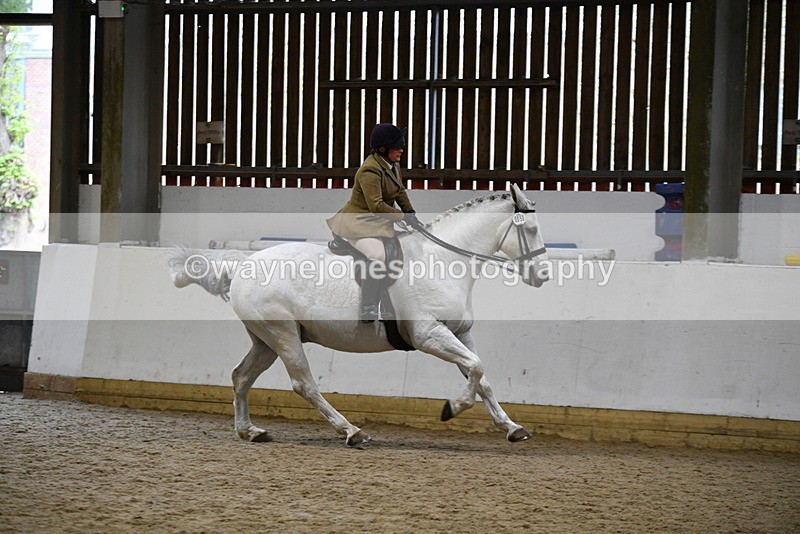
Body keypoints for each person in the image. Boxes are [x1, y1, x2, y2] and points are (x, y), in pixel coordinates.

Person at [327, 123, 421, 322]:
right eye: (397, 147)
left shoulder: (392, 165)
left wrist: (410, 212)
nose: (401, 150)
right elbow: (376, 205)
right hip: (357, 224)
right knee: (377, 255)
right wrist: (403, 217)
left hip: (377, 224)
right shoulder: (369, 170)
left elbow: (399, 191)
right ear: (382, 149)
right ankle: (369, 307)